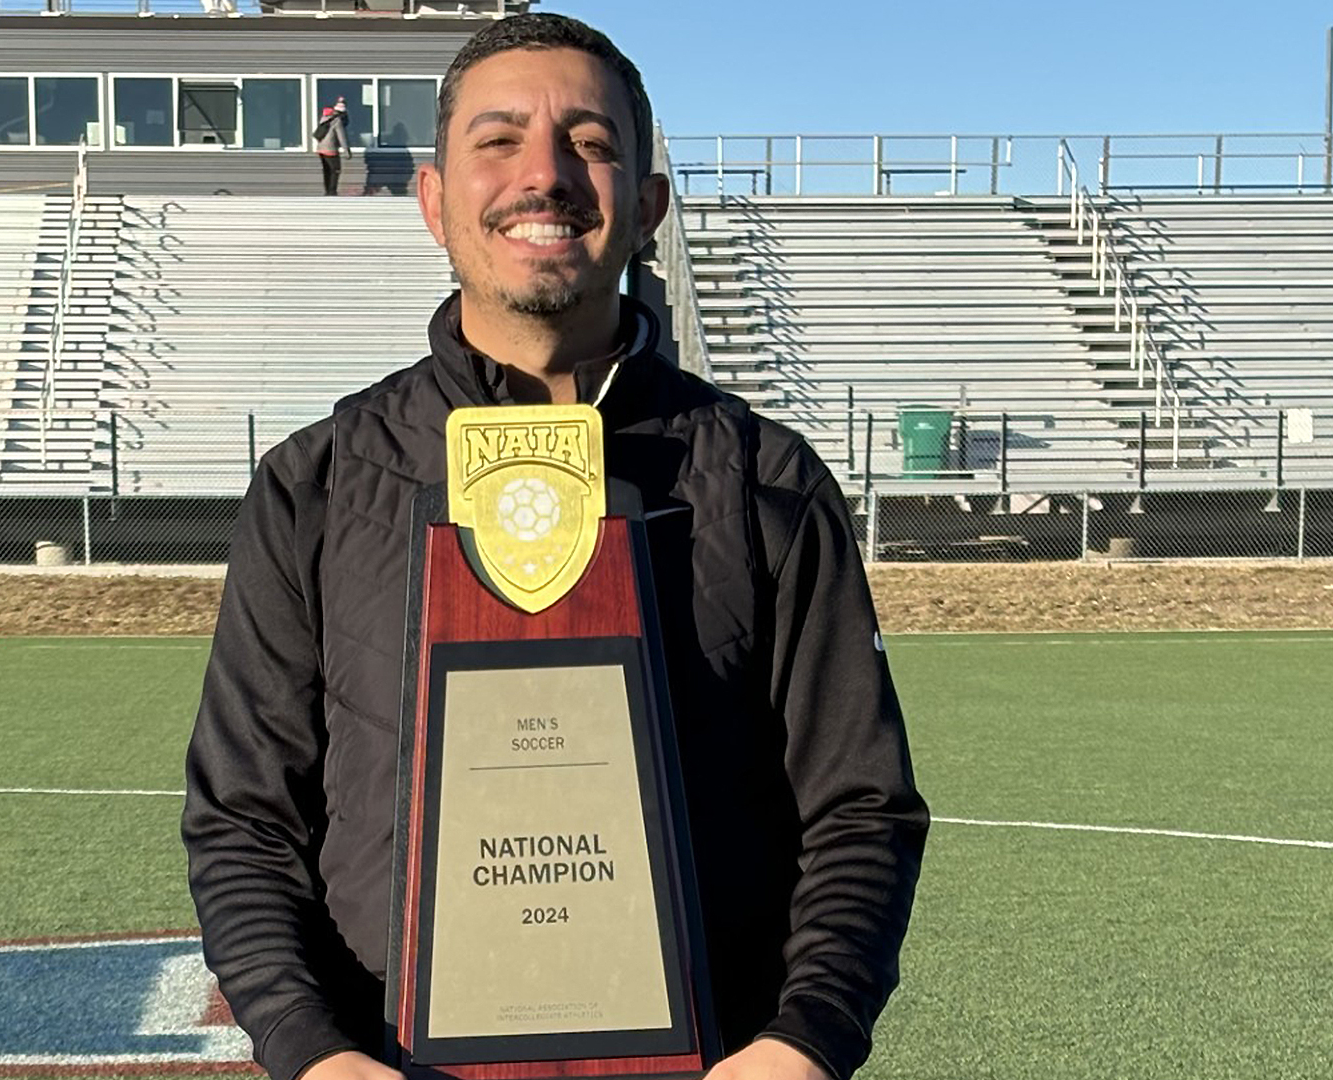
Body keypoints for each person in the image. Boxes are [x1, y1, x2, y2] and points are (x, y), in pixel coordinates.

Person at [183, 14, 927, 1080]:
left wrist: (804, 1042)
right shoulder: (316, 484)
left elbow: (859, 807)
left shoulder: (768, 481)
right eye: (498, 140)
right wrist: (313, 1054)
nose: (545, 174)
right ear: (435, 201)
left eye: (590, 141)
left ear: (649, 206)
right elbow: (245, 822)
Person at [315, 99, 353, 195]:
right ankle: (332, 191)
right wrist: (347, 151)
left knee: (327, 170)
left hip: (321, 148)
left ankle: (327, 191)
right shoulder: (337, 121)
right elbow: (342, 137)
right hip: (331, 148)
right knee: (335, 170)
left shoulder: (325, 117)